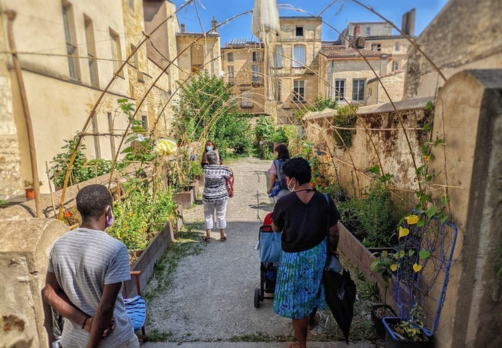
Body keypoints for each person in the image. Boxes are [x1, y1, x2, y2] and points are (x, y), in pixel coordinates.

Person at [43, 185, 138, 348]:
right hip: (115, 341)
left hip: (72, 340)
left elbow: (50, 293)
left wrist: (86, 322)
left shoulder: (58, 245)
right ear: (108, 211)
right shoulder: (115, 249)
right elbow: (106, 307)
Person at [271, 158, 341, 348]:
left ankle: (301, 345)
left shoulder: (284, 202)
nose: (286, 181)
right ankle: (312, 320)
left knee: (297, 301)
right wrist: (333, 250)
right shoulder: (325, 200)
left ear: (293, 179)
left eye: (286, 178)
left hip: (293, 259)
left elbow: (275, 229)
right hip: (317, 256)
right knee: (314, 288)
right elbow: (334, 233)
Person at [202, 151, 232, 242]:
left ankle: (208, 236)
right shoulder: (223, 169)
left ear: (208, 160)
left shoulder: (205, 169)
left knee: (208, 215)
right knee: (221, 215)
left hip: (208, 196)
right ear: (217, 159)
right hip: (221, 196)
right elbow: (229, 175)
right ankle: (222, 235)